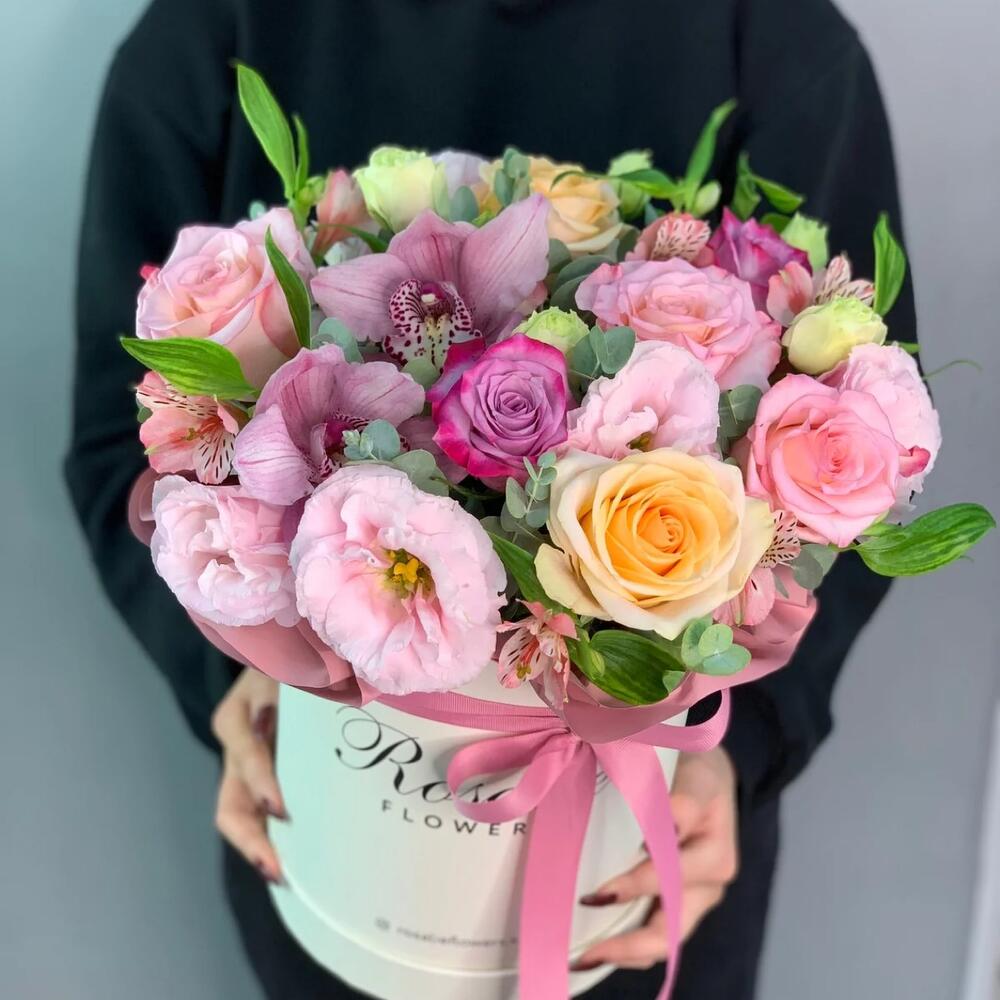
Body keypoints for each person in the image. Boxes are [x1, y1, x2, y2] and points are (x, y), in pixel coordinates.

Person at [65, 0, 916, 997]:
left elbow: (862, 465)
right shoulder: (218, 29)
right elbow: (118, 443)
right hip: (338, 855)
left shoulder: (775, 42)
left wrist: (741, 747)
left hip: (641, 874)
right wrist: (235, 678)